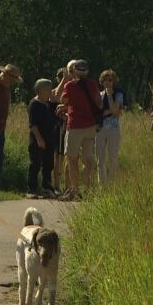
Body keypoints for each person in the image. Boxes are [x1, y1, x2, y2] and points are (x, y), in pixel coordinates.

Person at [58, 59, 102, 201]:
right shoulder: (92, 84)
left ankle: (75, 190)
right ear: (87, 71)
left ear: (75, 71)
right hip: (90, 126)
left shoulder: (70, 85)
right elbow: (98, 102)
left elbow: (63, 100)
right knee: (88, 159)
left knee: (71, 158)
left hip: (75, 125)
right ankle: (87, 186)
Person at [26, 79, 58, 199]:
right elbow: (32, 124)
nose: (51, 91)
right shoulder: (34, 104)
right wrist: (39, 139)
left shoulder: (48, 104)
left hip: (49, 139)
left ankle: (46, 188)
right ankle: (31, 189)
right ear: (41, 90)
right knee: (35, 164)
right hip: (37, 140)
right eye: (49, 89)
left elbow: (57, 94)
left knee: (48, 165)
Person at [95, 69, 124, 184]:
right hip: (100, 128)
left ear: (114, 81)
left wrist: (109, 95)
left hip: (113, 129)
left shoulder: (118, 95)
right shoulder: (98, 95)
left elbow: (115, 111)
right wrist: (109, 111)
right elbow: (97, 112)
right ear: (101, 81)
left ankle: (113, 185)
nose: (107, 82)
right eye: (105, 80)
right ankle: (102, 185)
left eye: (110, 80)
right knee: (100, 159)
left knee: (113, 157)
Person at [51, 68, 67, 194]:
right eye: (61, 77)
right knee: (57, 155)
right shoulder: (52, 92)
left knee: (67, 156)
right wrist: (64, 79)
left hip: (68, 127)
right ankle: (56, 184)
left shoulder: (70, 91)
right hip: (56, 127)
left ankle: (67, 185)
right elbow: (56, 96)